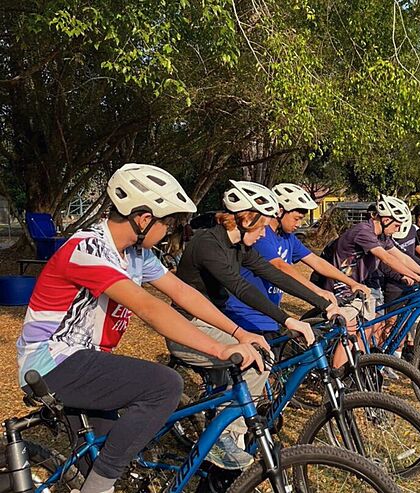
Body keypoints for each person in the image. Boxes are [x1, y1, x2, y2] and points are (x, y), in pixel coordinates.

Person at [16, 164, 266, 493]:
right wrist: (219, 349)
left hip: (84, 359)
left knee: (106, 456)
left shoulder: (136, 253)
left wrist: (239, 333)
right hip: (51, 362)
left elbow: (181, 292)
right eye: (169, 223)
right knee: (163, 385)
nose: (171, 230)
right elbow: (149, 307)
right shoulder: (87, 250)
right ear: (144, 218)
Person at [168, 179, 341, 469]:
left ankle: (225, 419)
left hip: (214, 321)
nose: (264, 233)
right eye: (261, 225)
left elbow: (274, 276)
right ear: (245, 219)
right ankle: (224, 436)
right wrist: (287, 319)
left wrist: (324, 303)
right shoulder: (208, 243)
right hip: (188, 326)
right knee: (258, 359)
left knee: (258, 353)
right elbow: (240, 287)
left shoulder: (238, 246)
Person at [223, 183, 370, 368]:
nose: (299, 224)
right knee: (256, 375)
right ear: (280, 211)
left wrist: (351, 282)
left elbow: (316, 262)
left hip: (270, 316)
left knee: (270, 373)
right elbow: (280, 267)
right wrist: (317, 292)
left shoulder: (288, 237)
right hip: (246, 314)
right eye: (297, 218)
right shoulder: (261, 234)